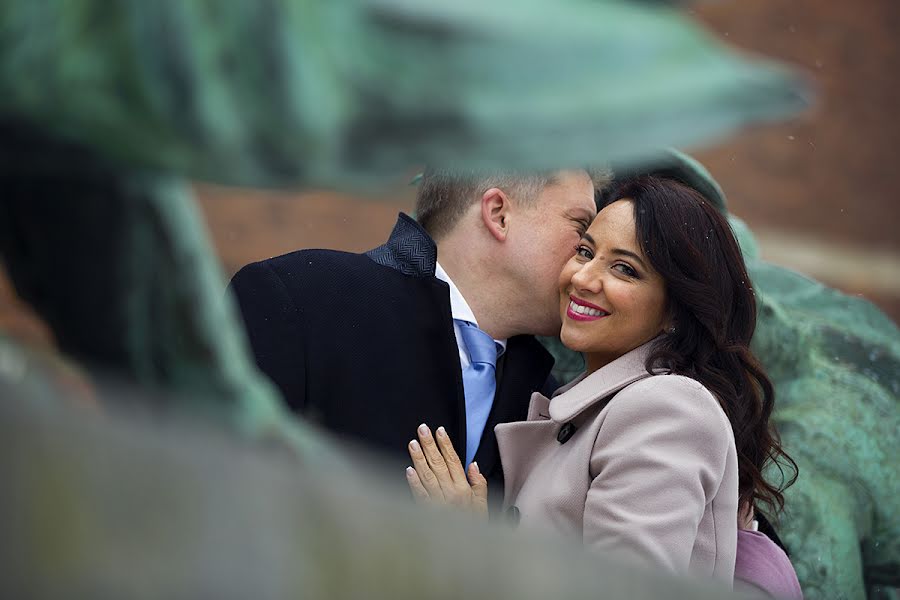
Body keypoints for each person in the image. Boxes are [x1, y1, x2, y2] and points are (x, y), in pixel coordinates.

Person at [406, 175, 797, 587]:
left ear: (676, 311)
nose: (583, 278)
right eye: (584, 251)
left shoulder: (667, 410)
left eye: (625, 269)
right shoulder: (598, 409)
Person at [228, 167, 597, 482]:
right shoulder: (298, 298)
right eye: (581, 229)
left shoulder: (551, 402)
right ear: (499, 213)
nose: (590, 260)